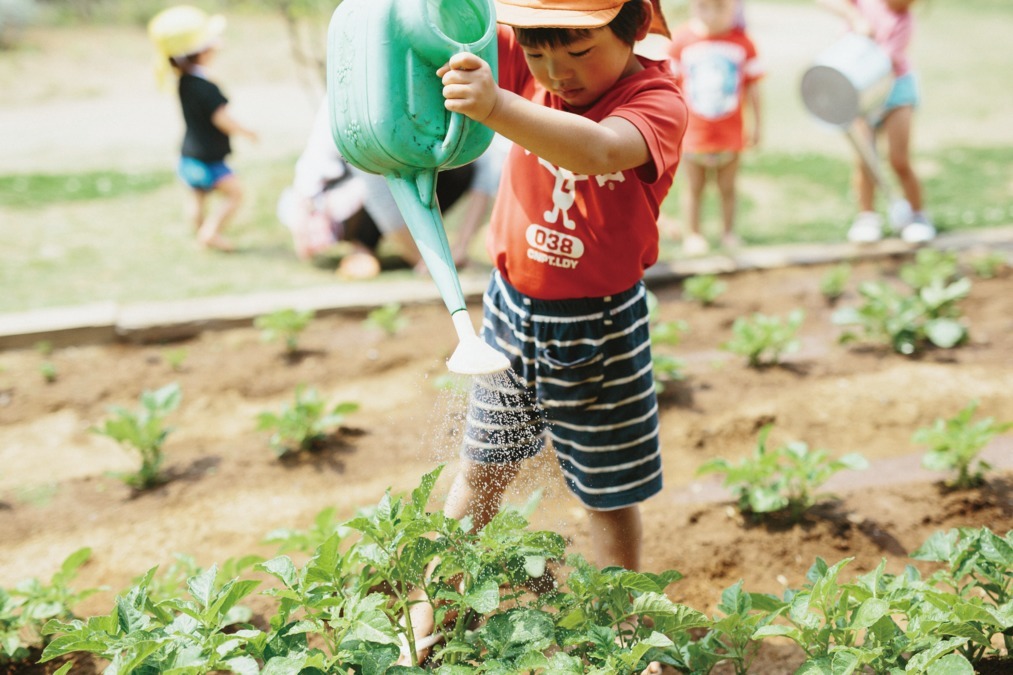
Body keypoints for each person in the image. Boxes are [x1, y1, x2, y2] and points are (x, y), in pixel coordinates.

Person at [398, 0, 687, 669]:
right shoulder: (525, 63)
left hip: (599, 328)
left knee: (608, 494)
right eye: (537, 53)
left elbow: (596, 150)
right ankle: (429, 615)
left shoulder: (655, 100)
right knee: (480, 470)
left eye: (579, 51)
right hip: (509, 312)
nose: (557, 71)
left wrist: (496, 103)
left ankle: (626, 633)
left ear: (635, 25)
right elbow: (440, 30)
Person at [278, 100, 505, 278]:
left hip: (384, 179)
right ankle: (364, 244)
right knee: (379, 175)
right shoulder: (362, 109)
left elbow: (487, 168)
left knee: (457, 169)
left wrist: (462, 247)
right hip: (327, 201)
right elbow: (379, 195)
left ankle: (396, 248)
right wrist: (428, 263)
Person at [817, 0, 935, 243]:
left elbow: (882, 62)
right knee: (865, 160)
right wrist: (854, 17)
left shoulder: (904, 22)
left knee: (899, 160)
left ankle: (917, 215)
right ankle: (867, 217)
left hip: (895, 89)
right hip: (859, 89)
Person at [148, 5, 258, 252]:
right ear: (202, 52)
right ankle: (210, 233)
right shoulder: (206, 88)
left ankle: (199, 231)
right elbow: (222, 119)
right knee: (235, 194)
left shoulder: (183, 82)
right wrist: (247, 132)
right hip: (209, 159)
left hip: (187, 156)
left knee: (197, 198)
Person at [667, 0, 763, 255]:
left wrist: (758, 127)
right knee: (693, 188)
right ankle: (693, 234)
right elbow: (669, 90)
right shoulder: (680, 41)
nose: (711, 14)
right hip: (692, 137)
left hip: (730, 136)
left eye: (720, 7)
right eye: (703, 6)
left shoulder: (744, 43)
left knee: (728, 188)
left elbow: (754, 89)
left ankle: (729, 232)